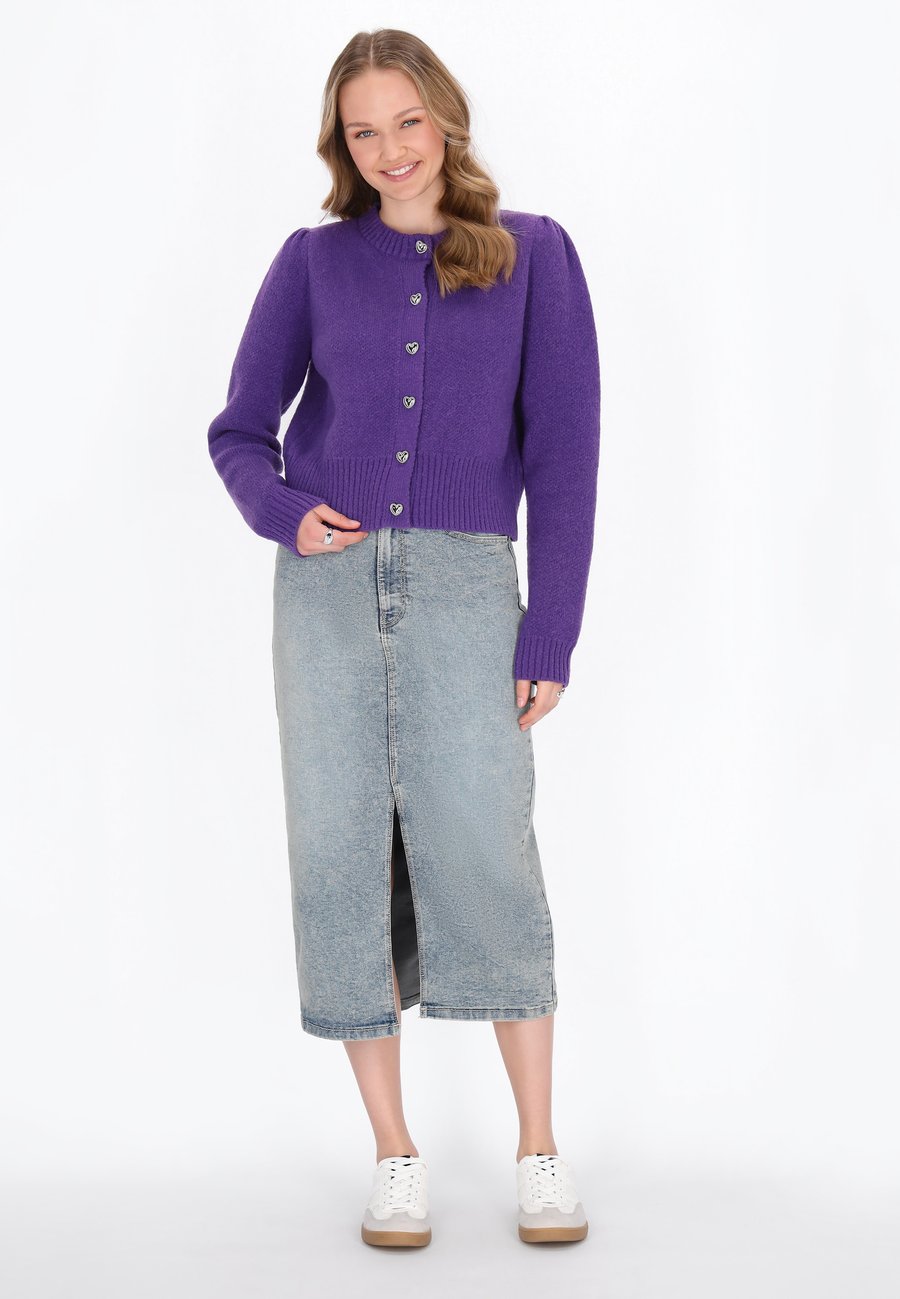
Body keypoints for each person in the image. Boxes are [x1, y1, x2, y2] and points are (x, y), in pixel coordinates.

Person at [207, 28, 601, 1249]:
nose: (389, 150)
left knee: (488, 849)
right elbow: (238, 430)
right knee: (340, 858)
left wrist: (552, 631)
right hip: (325, 594)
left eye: (407, 122)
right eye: (363, 131)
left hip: (469, 589)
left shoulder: (533, 254)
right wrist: (285, 512)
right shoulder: (313, 262)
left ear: (446, 117)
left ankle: (539, 1146)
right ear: (343, 142)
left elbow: (566, 456)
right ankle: (394, 1153)